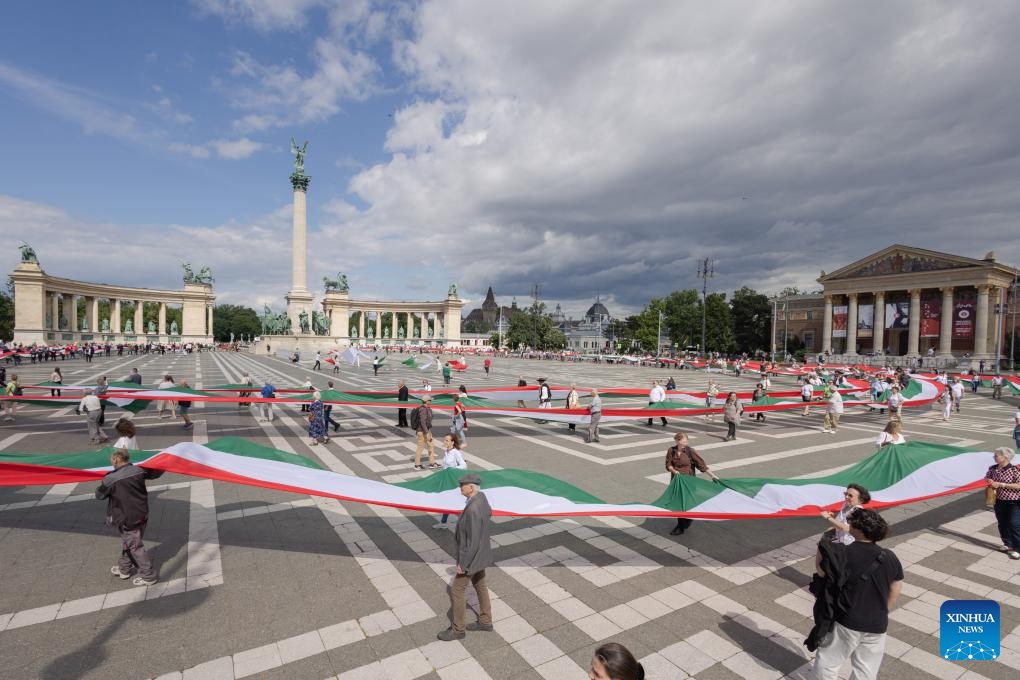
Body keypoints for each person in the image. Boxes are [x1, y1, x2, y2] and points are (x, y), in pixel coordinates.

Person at [809, 509, 903, 680]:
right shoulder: (889, 556)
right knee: (866, 669)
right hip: (877, 624)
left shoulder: (842, 553)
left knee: (828, 663)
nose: (849, 525)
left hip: (848, 621)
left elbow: (821, 570)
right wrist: (884, 609)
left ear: (858, 530)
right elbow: (896, 585)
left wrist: (824, 541)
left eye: (851, 523)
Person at [437, 472, 493, 641]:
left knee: (457, 590)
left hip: (472, 556)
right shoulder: (481, 498)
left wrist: (463, 563)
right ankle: (485, 621)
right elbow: (488, 513)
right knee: (480, 585)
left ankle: (458, 629)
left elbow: (473, 540)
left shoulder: (474, 507)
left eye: (462, 485)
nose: (460, 488)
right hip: (481, 554)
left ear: (471, 488)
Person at [96, 448, 164, 586]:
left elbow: (99, 495)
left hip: (126, 517)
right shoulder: (139, 470)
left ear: (116, 460)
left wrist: (105, 479)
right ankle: (124, 568)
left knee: (134, 545)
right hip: (141, 513)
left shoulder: (111, 478)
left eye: (111, 460)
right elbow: (155, 473)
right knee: (130, 542)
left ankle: (148, 576)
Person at [665, 432, 719, 535]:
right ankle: (680, 527)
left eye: (686, 441)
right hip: (677, 481)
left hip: (689, 482)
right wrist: (674, 471)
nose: (685, 443)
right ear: (677, 441)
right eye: (683, 441)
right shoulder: (671, 450)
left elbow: (701, 465)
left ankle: (688, 518)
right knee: (678, 504)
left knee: (687, 503)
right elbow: (668, 464)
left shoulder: (690, 451)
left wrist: (713, 476)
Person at [985, 447, 1020, 560]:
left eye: (996, 455)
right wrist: (989, 481)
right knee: (1002, 523)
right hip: (999, 501)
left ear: (1005, 457)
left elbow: (1019, 486)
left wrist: (1001, 484)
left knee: (1014, 524)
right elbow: (987, 478)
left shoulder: (1015, 470)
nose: (994, 457)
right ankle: (1007, 544)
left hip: (1014, 502)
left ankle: (1017, 549)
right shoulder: (993, 468)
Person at [433, 433, 467, 529]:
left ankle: (460, 519)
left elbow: (464, 465)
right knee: (448, 500)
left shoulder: (456, 452)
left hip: (453, 481)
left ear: (452, 442)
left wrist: (452, 470)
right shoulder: (447, 451)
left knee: (450, 500)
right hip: (446, 480)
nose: (444, 442)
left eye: (447, 440)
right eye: (444, 440)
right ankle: (445, 522)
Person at [412, 395, 438, 471]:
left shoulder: (427, 408)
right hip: (422, 431)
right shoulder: (423, 409)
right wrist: (427, 432)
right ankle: (417, 465)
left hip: (426, 430)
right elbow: (423, 422)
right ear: (427, 401)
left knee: (431, 445)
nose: (431, 401)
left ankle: (432, 463)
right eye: (430, 400)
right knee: (420, 447)